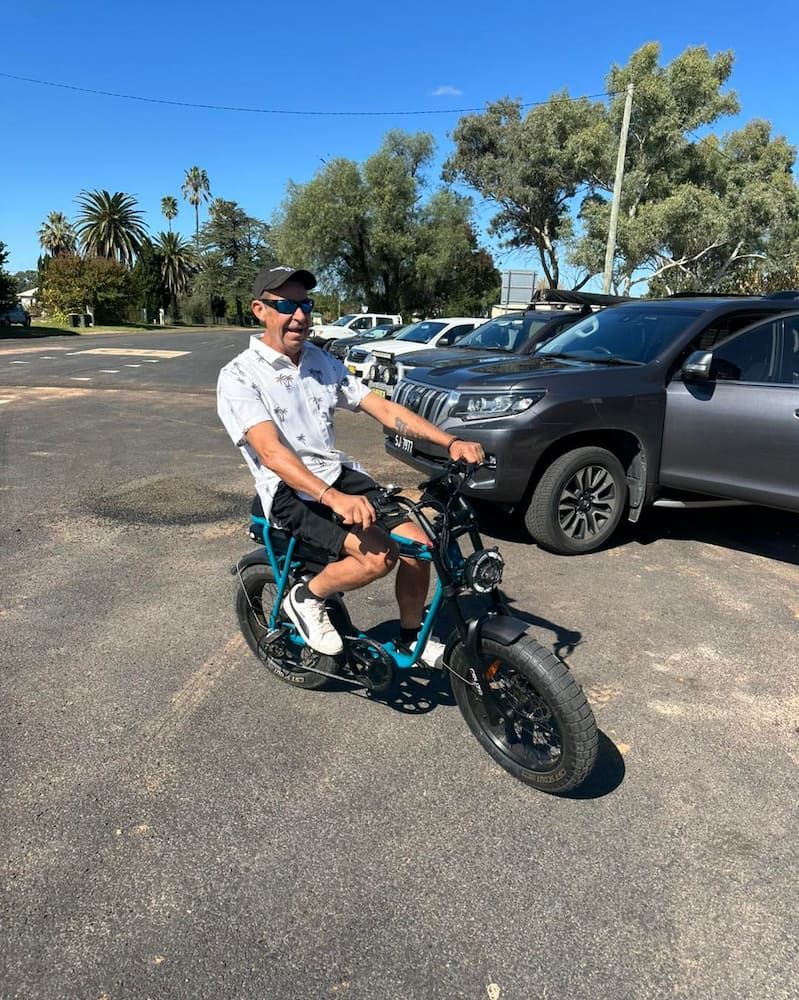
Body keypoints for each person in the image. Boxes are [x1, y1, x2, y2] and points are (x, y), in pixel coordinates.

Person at [217, 264, 485, 657]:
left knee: (420, 545)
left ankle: (411, 635)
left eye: (305, 303)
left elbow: (381, 407)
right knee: (379, 558)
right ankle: (305, 597)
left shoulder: (320, 361)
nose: (300, 315)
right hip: (292, 491)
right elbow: (272, 453)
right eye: (287, 304)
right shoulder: (239, 376)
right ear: (260, 310)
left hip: (338, 475)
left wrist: (450, 441)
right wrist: (333, 499)